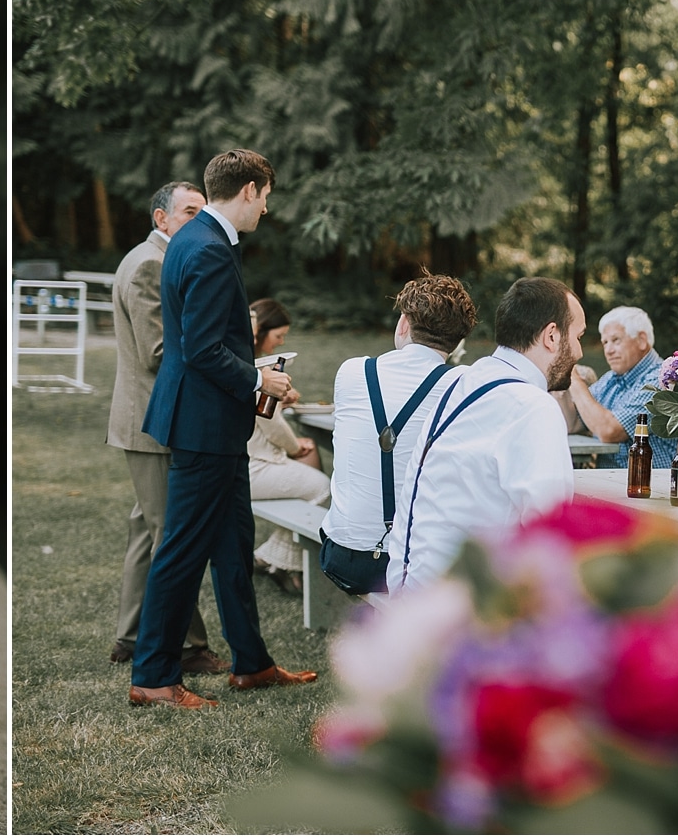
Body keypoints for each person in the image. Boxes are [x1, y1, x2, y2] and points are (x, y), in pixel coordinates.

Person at [132, 148, 316, 709]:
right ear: (251, 189)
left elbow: (198, 344)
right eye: (266, 198)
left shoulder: (192, 239)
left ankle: (251, 663)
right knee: (183, 550)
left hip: (214, 423)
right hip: (204, 424)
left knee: (234, 547)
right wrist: (265, 384)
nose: (266, 209)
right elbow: (208, 351)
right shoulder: (209, 250)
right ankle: (154, 675)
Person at [385, 277, 581, 594]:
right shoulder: (532, 407)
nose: (581, 352)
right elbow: (551, 533)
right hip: (466, 608)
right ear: (552, 335)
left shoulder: (460, 382)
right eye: (579, 336)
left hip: (410, 583)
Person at [105, 180, 228, 674]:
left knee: (146, 528)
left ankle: (130, 636)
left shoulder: (154, 258)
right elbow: (158, 353)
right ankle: (187, 647)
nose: (200, 220)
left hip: (147, 419)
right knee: (169, 535)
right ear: (162, 219)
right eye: (189, 211)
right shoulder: (151, 265)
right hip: (153, 422)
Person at [319, 272, 477, 595]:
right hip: (409, 565)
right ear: (457, 340)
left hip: (341, 554)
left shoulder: (351, 371)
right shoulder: (464, 384)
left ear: (403, 323)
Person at [246, 297, 330, 595]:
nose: (281, 342)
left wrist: (282, 397)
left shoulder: (244, 363)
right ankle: (281, 561)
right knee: (323, 487)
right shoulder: (258, 367)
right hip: (252, 466)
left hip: (249, 459)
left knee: (310, 460)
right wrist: (294, 448)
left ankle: (270, 556)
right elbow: (269, 423)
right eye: (278, 336)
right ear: (259, 331)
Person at [557, 306, 675, 470]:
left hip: (652, 488)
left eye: (615, 340)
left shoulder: (660, 380)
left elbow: (609, 431)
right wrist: (561, 378)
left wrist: (575, 380)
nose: (608, 350)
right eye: (605, 342)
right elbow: (573, 423)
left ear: (641, 340)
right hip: (611, 484)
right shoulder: (612, 379)